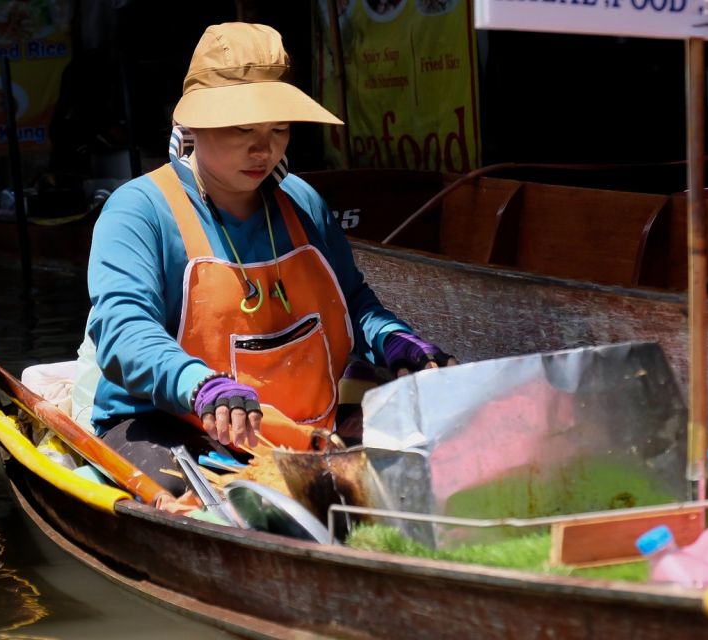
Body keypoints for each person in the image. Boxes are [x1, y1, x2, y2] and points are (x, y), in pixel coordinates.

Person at [82, 22, 455, 495]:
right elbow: (123, 331)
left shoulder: (302, 202)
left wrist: (396, 342)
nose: (265, 148)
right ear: (193, 125)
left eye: (279, 129)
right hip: (166, 422)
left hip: (295, 426)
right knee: (193, 496)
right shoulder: (139, 211)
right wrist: (202, 387)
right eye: (243, 130)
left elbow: (352, 303)